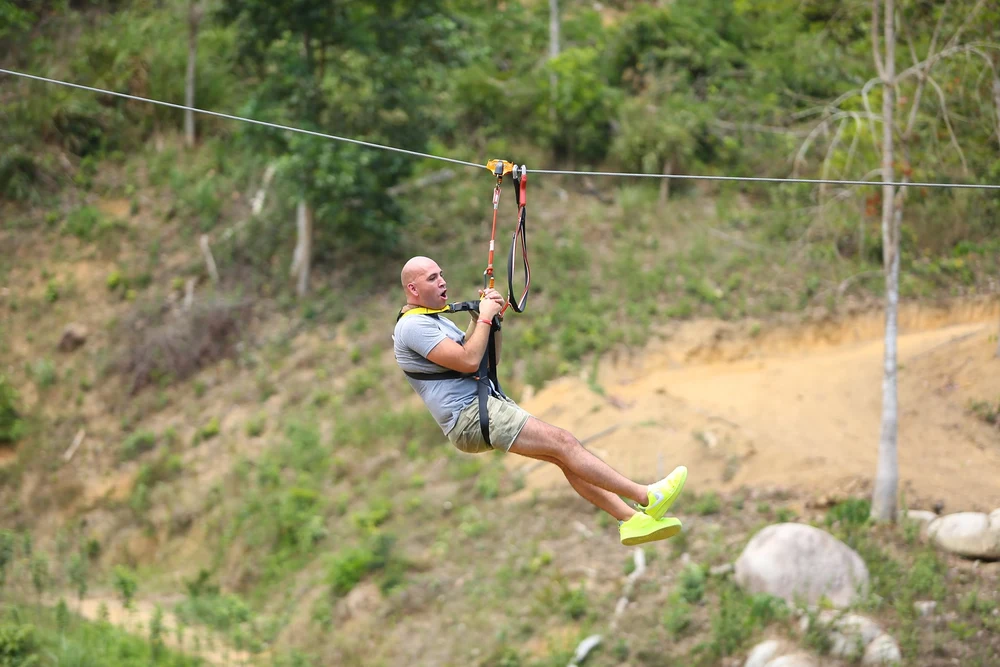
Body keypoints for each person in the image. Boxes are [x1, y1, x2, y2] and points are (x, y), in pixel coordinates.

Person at [392, 256, 687, 546]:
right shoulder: (413, 327)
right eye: (432, 278)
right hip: (470, 415)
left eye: (441, 273)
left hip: (477, 411)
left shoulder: (435, 321)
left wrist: (488, 321)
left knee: (562, 456)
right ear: (413, 290)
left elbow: (486, 358)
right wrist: (482, 317)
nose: (442, 280)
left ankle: (630, 520)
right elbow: (469, 361)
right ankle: (648, 496)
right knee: (564, 443)